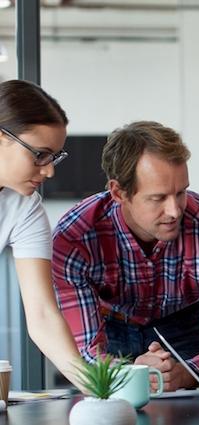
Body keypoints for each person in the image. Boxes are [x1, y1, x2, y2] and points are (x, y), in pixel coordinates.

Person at [51, 121, 199, 392]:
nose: (175, 211)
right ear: (119, 193)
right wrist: (131, 374)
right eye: (158, 198)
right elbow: (85, 354)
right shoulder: (74, 238)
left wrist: (185, 374)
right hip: (109, 332)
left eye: (181, 192)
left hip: (187, 330)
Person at [0, 79, 85, 389]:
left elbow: (43, 314)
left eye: (54, 157)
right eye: (40, 154)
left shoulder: (24, 207)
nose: (49, 171)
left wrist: (93, 385)